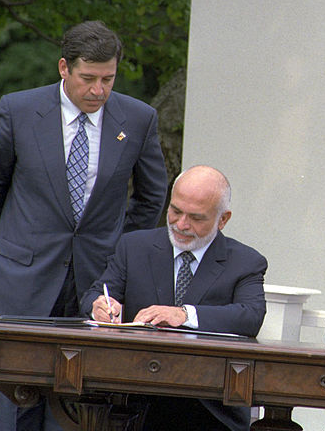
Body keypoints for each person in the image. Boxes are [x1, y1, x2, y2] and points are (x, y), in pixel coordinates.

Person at [0, 20, 168, 430]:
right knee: (14, 405)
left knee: (77, 408)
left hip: (95, 283)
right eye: (88, 78)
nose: (98, 90)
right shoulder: (18, 110)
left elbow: (152, 196)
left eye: (108, 79)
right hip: (22, 278)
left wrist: (121, 257)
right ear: (64, 68)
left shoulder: (138, 118)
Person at [81, 165, 268, 430]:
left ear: (223, 219)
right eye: (175, 211)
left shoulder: (245, 262)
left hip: (208, 406)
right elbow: (94, 294)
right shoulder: (134, 247)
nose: (181, 225)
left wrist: (184, 314)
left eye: (196, 217)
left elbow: (250, 316)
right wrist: (98, 306)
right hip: (132, 400)